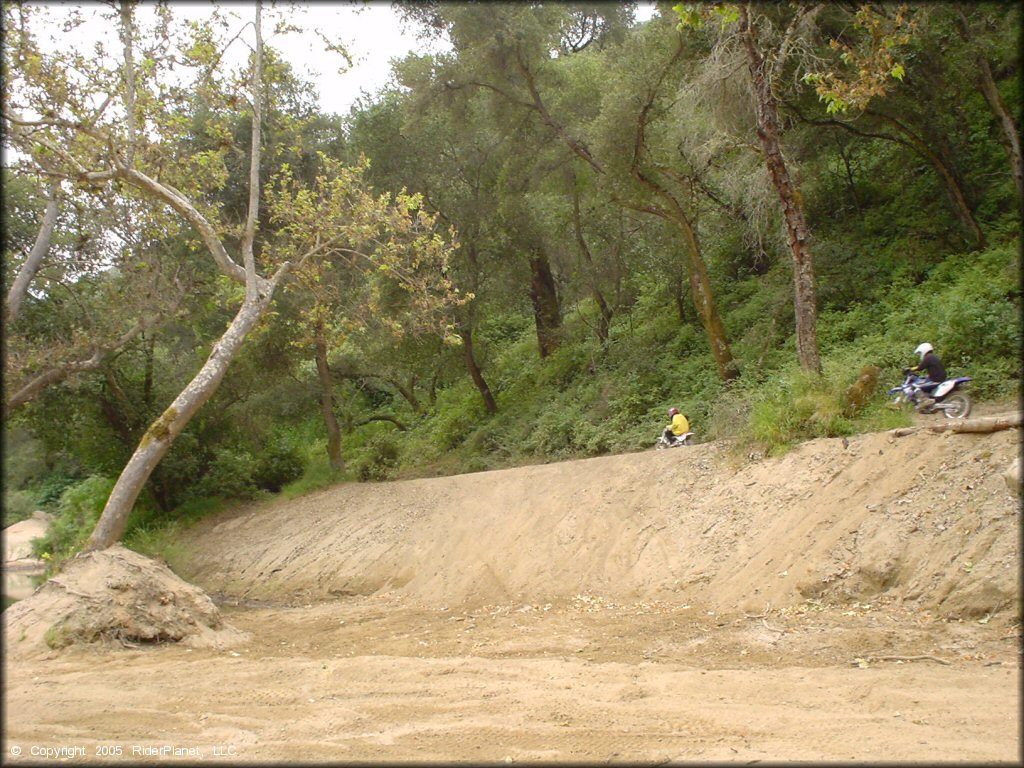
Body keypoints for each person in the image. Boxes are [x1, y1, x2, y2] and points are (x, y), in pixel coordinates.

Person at [905, 342, 947, 408]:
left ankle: (925, 400)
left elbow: (920, 367)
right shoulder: (932, 357)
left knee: (916, 386)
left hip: (935, 380)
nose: (920, 354)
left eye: (920, 353)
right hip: (939, 378)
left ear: (924, 350)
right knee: (923, 381)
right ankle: (927, 400)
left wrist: (910, 369)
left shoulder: (928, 358)